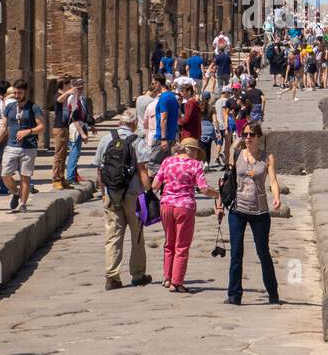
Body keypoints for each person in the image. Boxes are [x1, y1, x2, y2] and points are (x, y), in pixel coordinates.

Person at [94, 111, 154, 291]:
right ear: (134, 124)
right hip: (134, 194)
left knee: (113, 236)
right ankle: (137, 275)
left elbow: (99, 169)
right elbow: (143, 171)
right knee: (136, 235)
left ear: (119, 122)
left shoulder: (106, 140)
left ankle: (112, 277)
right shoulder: (137, 141)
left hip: (112, 194)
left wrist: (103, 192)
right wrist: (149, 193)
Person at [223, 123, 281, 305]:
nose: (248, 137)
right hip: (237, 208)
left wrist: (277, 197)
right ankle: (234, 295)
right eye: (245, 134)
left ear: (259, 137)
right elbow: (228, 180)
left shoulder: (267, 158)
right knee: (236, 253)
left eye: (251, 134)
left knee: (263, 252)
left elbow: (272, 181)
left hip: (259, 210)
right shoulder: (237, 154)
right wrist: (219, 205)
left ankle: (272, 292)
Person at [153, 137, 219, 294]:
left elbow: (155, 185)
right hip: (185, 207)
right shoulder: (195, 165)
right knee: (181, 246)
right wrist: (217, 194)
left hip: (166, 205)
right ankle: (177, 282)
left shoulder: (167, 161)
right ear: (193, 151)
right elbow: (203, 189)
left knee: (169, 243)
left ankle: (167, 278)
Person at [0, 79, 46, 214]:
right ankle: (16, 193)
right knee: (5, 175)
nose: (17, 96)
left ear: (25, 92)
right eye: (15, 93)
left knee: (25, 176)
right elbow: (4, 126)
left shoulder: (34, 108)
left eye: (20, 93)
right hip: (11, 146)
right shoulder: (10, 107)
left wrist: (28, 131)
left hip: (28, 147)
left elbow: (41, 126)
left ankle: (23, 204)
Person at [64, 77, 95, 185]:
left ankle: (73, 175)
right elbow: (74, 118)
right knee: (74, 152)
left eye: (82, 86)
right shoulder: (72, 99)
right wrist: (82, 133)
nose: (81, 88)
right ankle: (70, 177)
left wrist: (91, 125)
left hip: (80, 126)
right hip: (75, 128)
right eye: (79, 87)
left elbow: (85, 113)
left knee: (76, 152)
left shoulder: (80, 98)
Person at [150, 74, 180, 176]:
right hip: (171, 135)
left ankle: (169, 177)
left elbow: (164, 119)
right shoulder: (172, 97)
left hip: (163, 137)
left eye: (153, 83)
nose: (152, 86)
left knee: (152, 162)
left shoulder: (163, 98)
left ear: (158, 83)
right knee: (165, 162)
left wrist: (163, 138)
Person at [50, 79, 75, 190]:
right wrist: (68, 92)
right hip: (59, 127)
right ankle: (56, 179)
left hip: (65, 126)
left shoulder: (64, 96)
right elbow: (59, 100)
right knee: (59, 154)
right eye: (68, 85)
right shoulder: (58, 95)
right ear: (63, 85)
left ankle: (61, 177)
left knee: (64, 154)